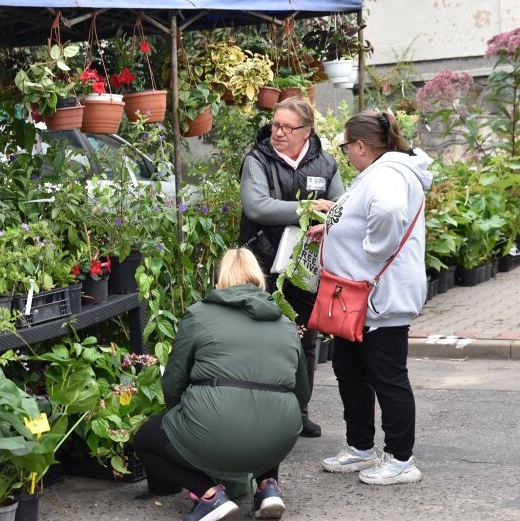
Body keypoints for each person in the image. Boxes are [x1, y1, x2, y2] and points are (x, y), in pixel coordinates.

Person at [134, 248, 309, 521]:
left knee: (145, 439)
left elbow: (174, 381)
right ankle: (267, 486)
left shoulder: (199, 315)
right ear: (259, 279)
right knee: (269, 401)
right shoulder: (286, 324)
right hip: (279, 437)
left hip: (215, 427)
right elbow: (302, 392)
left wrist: (187, 417)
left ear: (220, 281)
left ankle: (209, 495)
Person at [306, 110, 432, 485]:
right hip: (356, 300)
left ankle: (401, 460)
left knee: (387, 378)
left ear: (361, 146)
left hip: (379, 299)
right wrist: (332, 227)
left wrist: (371, 249)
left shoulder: (390, 174)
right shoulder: (378, 173)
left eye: (345, 146)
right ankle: (360, 447)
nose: (345, 153)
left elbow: (388, 212)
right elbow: (361, 213)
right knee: (351, 373)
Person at [239, 96, 344, 438]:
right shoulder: (257, 160)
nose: (278, 132)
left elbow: (340, 207)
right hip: (262, 263)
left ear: (307, 131)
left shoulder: (326, 164)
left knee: (304, 340)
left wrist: (328, 215)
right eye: (275, 124)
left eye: (286, 126)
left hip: (306, 265)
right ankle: (263, 412)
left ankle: (299, 410)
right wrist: (309, 207)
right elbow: (257, 207)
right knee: (263, 338)